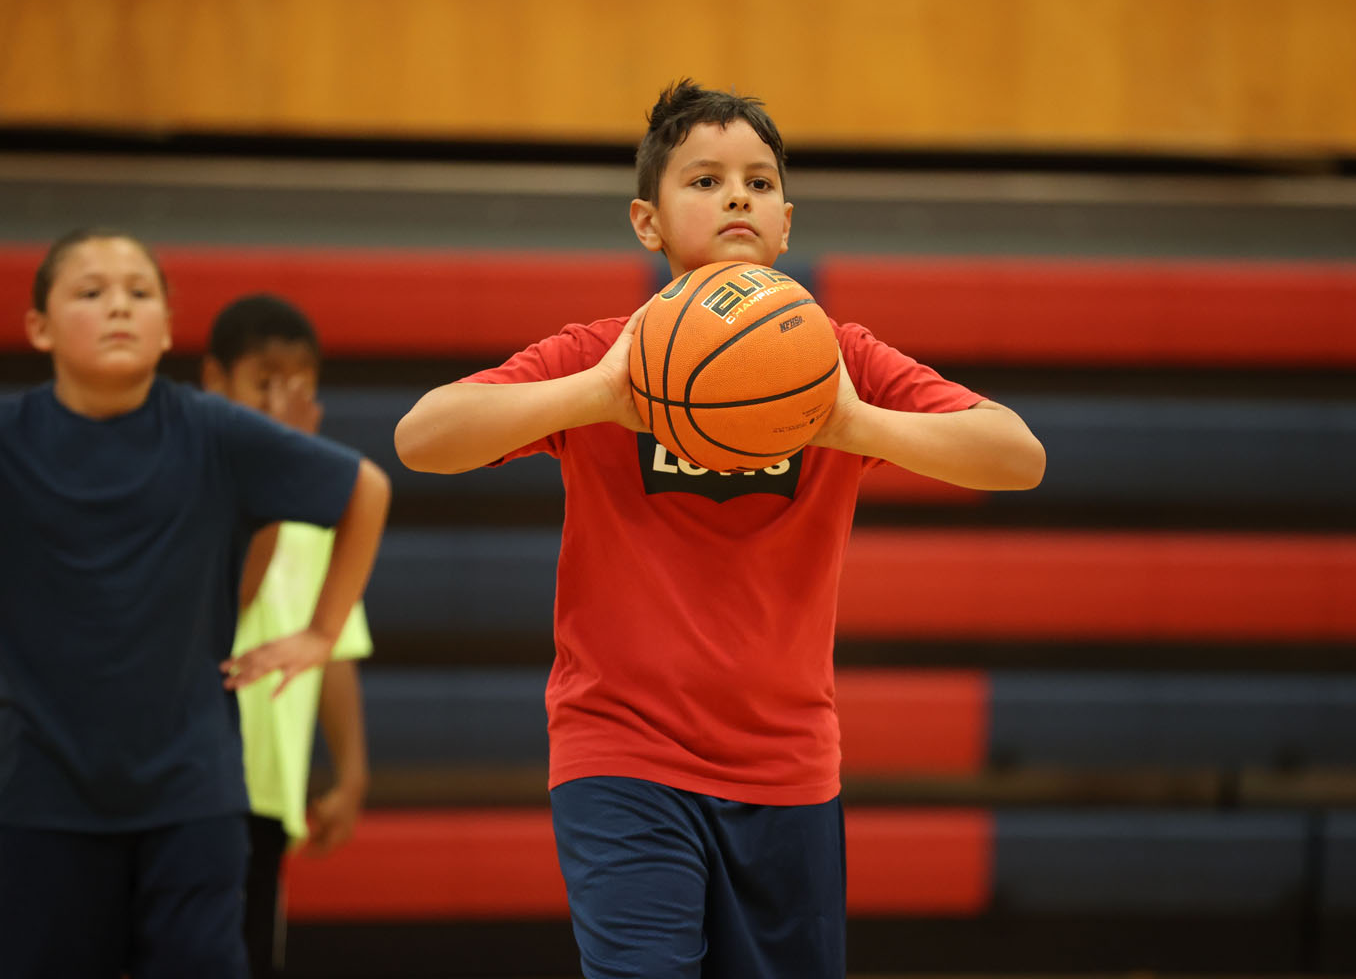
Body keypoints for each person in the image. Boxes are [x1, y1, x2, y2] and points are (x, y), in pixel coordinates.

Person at [394, 79, 1044, 979]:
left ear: (785, 224)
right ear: (646, 222)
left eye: (759, 181)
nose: (737, 194)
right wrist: (603, 398)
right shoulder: (600, 355)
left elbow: (1017, 455)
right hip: (620, 752)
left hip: (788, 768)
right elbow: (420, 438)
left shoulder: (840, 359)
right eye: (703, 180)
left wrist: (853, 425)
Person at [0, 229, 390, 979]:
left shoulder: (214, 432)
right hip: (38, 799)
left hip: (192, 796)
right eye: (91, 292)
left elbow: (365, 489)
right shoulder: (14, 438)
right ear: (39, 326)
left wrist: (321, 631)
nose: (119, 307)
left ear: (168, 326)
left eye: (139, 293)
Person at [201, 293, 374, 979]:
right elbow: (232, 597)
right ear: (216, 381)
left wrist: (352, 772)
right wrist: (274, 470)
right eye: (264, 381)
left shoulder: (317, 508)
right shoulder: (196, 479)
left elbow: (331, 645)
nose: (283, 400)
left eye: (299, 383)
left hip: (269, 792)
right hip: (198, 782)